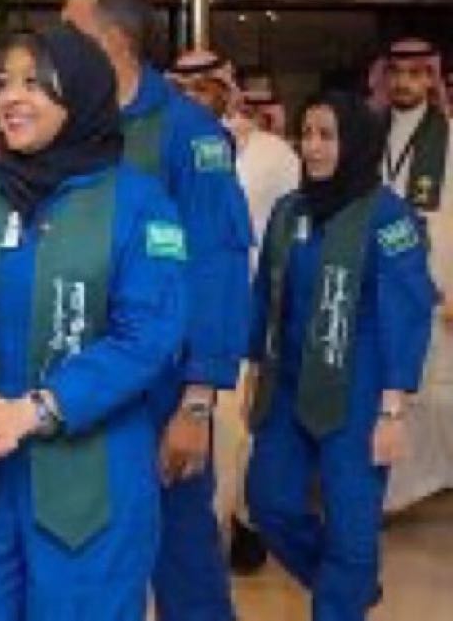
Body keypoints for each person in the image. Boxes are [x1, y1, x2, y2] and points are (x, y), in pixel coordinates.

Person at [0, 24, 186, 621]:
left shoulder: (139, 205)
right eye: (3, 82)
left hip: (90, 487)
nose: (11, 97)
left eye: (35, 84)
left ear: (79, 94)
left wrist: (35, 411)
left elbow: (147, 338)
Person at [63, 0, 252, 621]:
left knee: (181, 555)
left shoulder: (188, 135)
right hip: (82, 378)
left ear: (114, 41)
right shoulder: (69, 124)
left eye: (72, 33)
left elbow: (217, 269)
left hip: (163, 386)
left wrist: (196, 404)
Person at [245, 89, 437, 621]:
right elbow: (266, 294)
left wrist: (393, 411)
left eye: (326, 136)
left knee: (353, 529)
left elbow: (408, 311)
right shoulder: (289, 211)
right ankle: (349, 588)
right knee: (270, 503)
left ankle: (341, 601)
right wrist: (255, 370)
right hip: (287, 390)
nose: (312, 147)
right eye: (305, 134)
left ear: (355, 142)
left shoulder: (388, 217)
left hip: (360, 396)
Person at [168, 49, 299, 572]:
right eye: (184, 87)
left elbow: (292, 230)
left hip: (248, 317)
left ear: (228, 89)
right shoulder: (168, 143)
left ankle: (231, 533)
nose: (194, 97)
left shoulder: (273, 154)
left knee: (236, 435)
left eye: (205, 87)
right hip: (185, 316)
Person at [368, 38, 453, 512]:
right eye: (396, 73)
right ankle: (388, 493)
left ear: (431, 79)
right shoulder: (367, 131)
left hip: (434, 281)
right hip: (375, 277)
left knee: (429, 387)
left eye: (416, 73)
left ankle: (419, 487)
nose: (404, 82)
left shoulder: (450, 138)